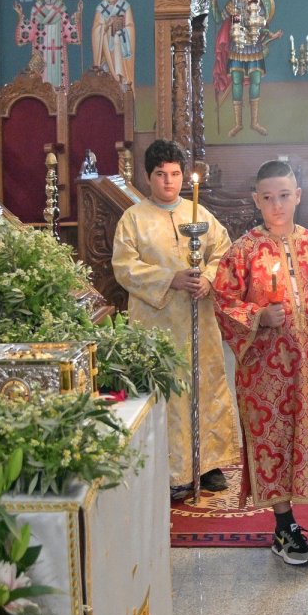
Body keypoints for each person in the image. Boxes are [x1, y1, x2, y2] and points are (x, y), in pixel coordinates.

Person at [212, 160, 308, 568]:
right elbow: (223, 302)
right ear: (256, 201)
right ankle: (285, 526)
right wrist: (259, 315)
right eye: (268, 198)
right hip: (265, 372)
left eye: (284, 196)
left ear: (298, 195)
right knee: (274, 446)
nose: (276, 205)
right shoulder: (243, 251)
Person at [111, 139, 241, 501]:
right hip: (157, 323)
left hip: (199, 317)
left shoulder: (199, 214)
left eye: (175, 174)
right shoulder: (134, 218)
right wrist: (172, 278)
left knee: (206, 386)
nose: (169, 182)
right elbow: (124, 267)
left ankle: (209, 463)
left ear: (184, 176)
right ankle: (172, 470)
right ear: (148, 177)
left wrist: (209, 279)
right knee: (169, 392)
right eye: (160, 175)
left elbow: (224, 251)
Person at [213, 0, 282, 138]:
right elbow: (217, 18)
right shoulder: (233, 1)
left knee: (256, 81)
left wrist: (270, 35)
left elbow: (262, 25)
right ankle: (237, 124)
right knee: (236, 82)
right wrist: (213, 0)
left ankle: (255, 122)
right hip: (237, 47)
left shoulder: (257, 1)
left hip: (255, 47)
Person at [14, 0, 82, 88]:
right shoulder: (37, 8)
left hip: (57, 53)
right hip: (41, 53)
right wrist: (20, 16)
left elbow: (69, 31)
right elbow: (30, 32)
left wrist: (77, 16)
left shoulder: (61, 8)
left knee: (58, 85)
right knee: (40, 85)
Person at [91, 0, 135, 88]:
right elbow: (96, 30)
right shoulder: (101, 8)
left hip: (120, 48)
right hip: (107, 50)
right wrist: (106, 25)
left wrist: (121, 32)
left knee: (117, 38)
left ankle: (122, 79)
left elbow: (130, 26)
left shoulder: (125, 6)